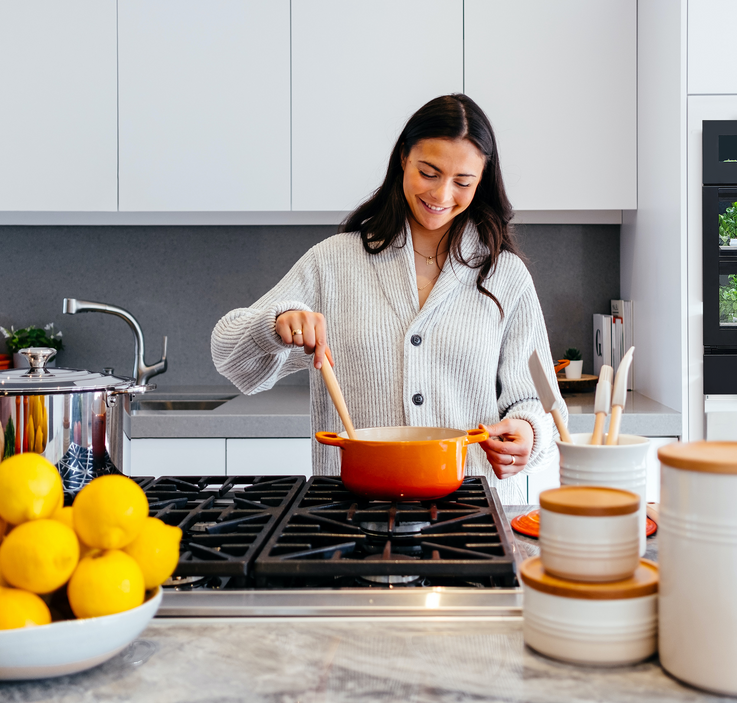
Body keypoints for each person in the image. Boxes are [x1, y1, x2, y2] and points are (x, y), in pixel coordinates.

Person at [211, 94, 565, 502]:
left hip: (468, 516)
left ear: (482, 179)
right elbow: (229, 356)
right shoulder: (335, 261)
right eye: (428, 172)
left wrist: (526, 432)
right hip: (348, 513)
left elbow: (538, 400)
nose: (442, 194)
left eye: (462, 181)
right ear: (403, 158)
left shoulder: (505, 275)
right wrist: (275, 324)